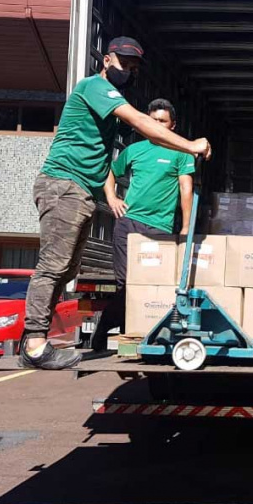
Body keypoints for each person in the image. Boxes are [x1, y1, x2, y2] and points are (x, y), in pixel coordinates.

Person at [20, 37, 212, 370]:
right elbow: (143, 125)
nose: (129, 71)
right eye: (124, 64)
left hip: (80, 192)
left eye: (134, 66)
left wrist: (108, 195)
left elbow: (118, 155)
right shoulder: (95, 87)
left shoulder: (110, 97)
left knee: (66, 268)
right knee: (53, 265)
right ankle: (35, 344)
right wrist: (191, 144)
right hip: (64, 185)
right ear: (107, 60)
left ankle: (37, 342)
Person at [90, 99, 195, 350]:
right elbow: (109, 171)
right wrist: (112, 197)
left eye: (162, 121)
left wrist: (185, 227)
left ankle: (138, 336)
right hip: (129, 224)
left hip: (158, 228)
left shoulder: (180, 152)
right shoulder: (135, 150)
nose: (156, 125)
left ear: (172, 126)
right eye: (152, 120)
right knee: (126, 285)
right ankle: (108, 333)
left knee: (151, 285)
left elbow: (185, 188)